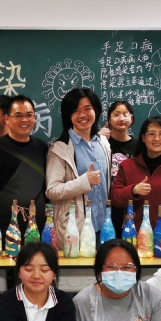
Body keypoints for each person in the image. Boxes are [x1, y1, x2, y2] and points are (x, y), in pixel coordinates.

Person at [46, 88, 111, 244]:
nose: (82, 115)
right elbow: (52, 191)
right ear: (68, 115)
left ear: (96, 110)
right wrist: (84, 182)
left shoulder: (103, 143)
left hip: (105, 228)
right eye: (75, 110)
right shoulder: (59, 148)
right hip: (76, 230)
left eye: (87, 108)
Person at [0, 95, 48, 237]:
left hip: (39, 226)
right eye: (18, 115)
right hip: (6, 227)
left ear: (34, 118)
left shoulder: (42, 147)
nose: (24, 120)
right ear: (7, 119)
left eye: (29, 115)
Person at [105, 100, 137, 233]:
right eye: (116, 114)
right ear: (109, 119)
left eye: (125, 114)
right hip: (105, 206)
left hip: (130, 207)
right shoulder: (101, 143)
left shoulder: (139, 147)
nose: (121, 118)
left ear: (132, 119)